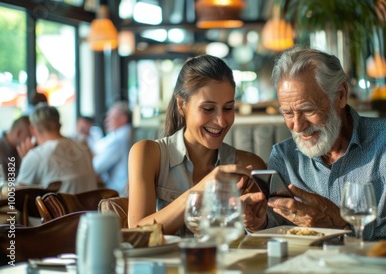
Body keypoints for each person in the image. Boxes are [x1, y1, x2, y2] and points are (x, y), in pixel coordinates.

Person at [242, 47, 386, 242]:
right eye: (287, 113)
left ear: (340, 96)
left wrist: (345, 225)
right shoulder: (284, 157)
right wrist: (260, 223)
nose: (297, 126)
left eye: (307, 110)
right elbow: (278, 229)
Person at [128, 55, 267, 235]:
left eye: (228, 108)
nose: (221, 121)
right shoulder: (147, 154)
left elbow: (259, 239)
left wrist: (254, 223)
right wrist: (203, 189)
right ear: (181, 104)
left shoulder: (250, 166)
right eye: (208, 109)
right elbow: (137, 233)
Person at [16, 104, 97, 193]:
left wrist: (27, 160)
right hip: (92, 206)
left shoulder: (36, 156)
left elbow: (17, 198)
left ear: (32, 129)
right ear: (59, 125)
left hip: (63, 207)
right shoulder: (82, 144)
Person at [92, 102, 132, 196]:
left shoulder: (118, 140)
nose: (107, 121)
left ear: (123, 118)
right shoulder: (129, 133)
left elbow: (95, 167)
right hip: (128, 190)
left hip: (118, 193)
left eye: (110, 117)